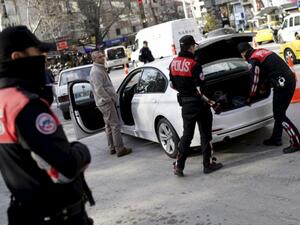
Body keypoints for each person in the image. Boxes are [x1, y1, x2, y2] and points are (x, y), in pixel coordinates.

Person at [0, 26, 94, 225]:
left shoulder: (4, 100)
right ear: (17, 57)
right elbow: (65, 169)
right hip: (59, 216)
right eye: (38, 52)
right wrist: (80, 150)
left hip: (28, 212)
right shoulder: (25, 105)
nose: (44, 56)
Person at [169, 35, 223, 176]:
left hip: (186, 106)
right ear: (191, 47)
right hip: (199, 105)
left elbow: (172, 84)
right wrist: (213, 103)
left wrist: (184, 91)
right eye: (194, 46)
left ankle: (179, 166)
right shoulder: (194, 65)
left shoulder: (173, 63)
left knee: (187, 136)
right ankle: (208, 164)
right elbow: (200, 90)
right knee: (205, 134)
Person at [237, 42, 300, 153]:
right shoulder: (261, 51)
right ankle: (276, 138)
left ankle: (296, 141)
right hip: (287, 80)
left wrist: (250, 97)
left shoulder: (253, 60)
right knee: (279, 113)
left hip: (283, 84)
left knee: (279, 114)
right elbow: (267, 71)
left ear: (243, 54)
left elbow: (254, 81)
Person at [90, 50, 132, 157]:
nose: (103, 58)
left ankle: (112, 147)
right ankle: (120, 149)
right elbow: (99, 89)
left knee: (109, 125)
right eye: (100, 57)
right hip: (105, 102)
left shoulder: (100, 69)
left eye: (103, 56)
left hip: (104, 102)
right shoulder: (96, 71)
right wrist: (109, 99)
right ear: (95, 59)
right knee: (115, 125)